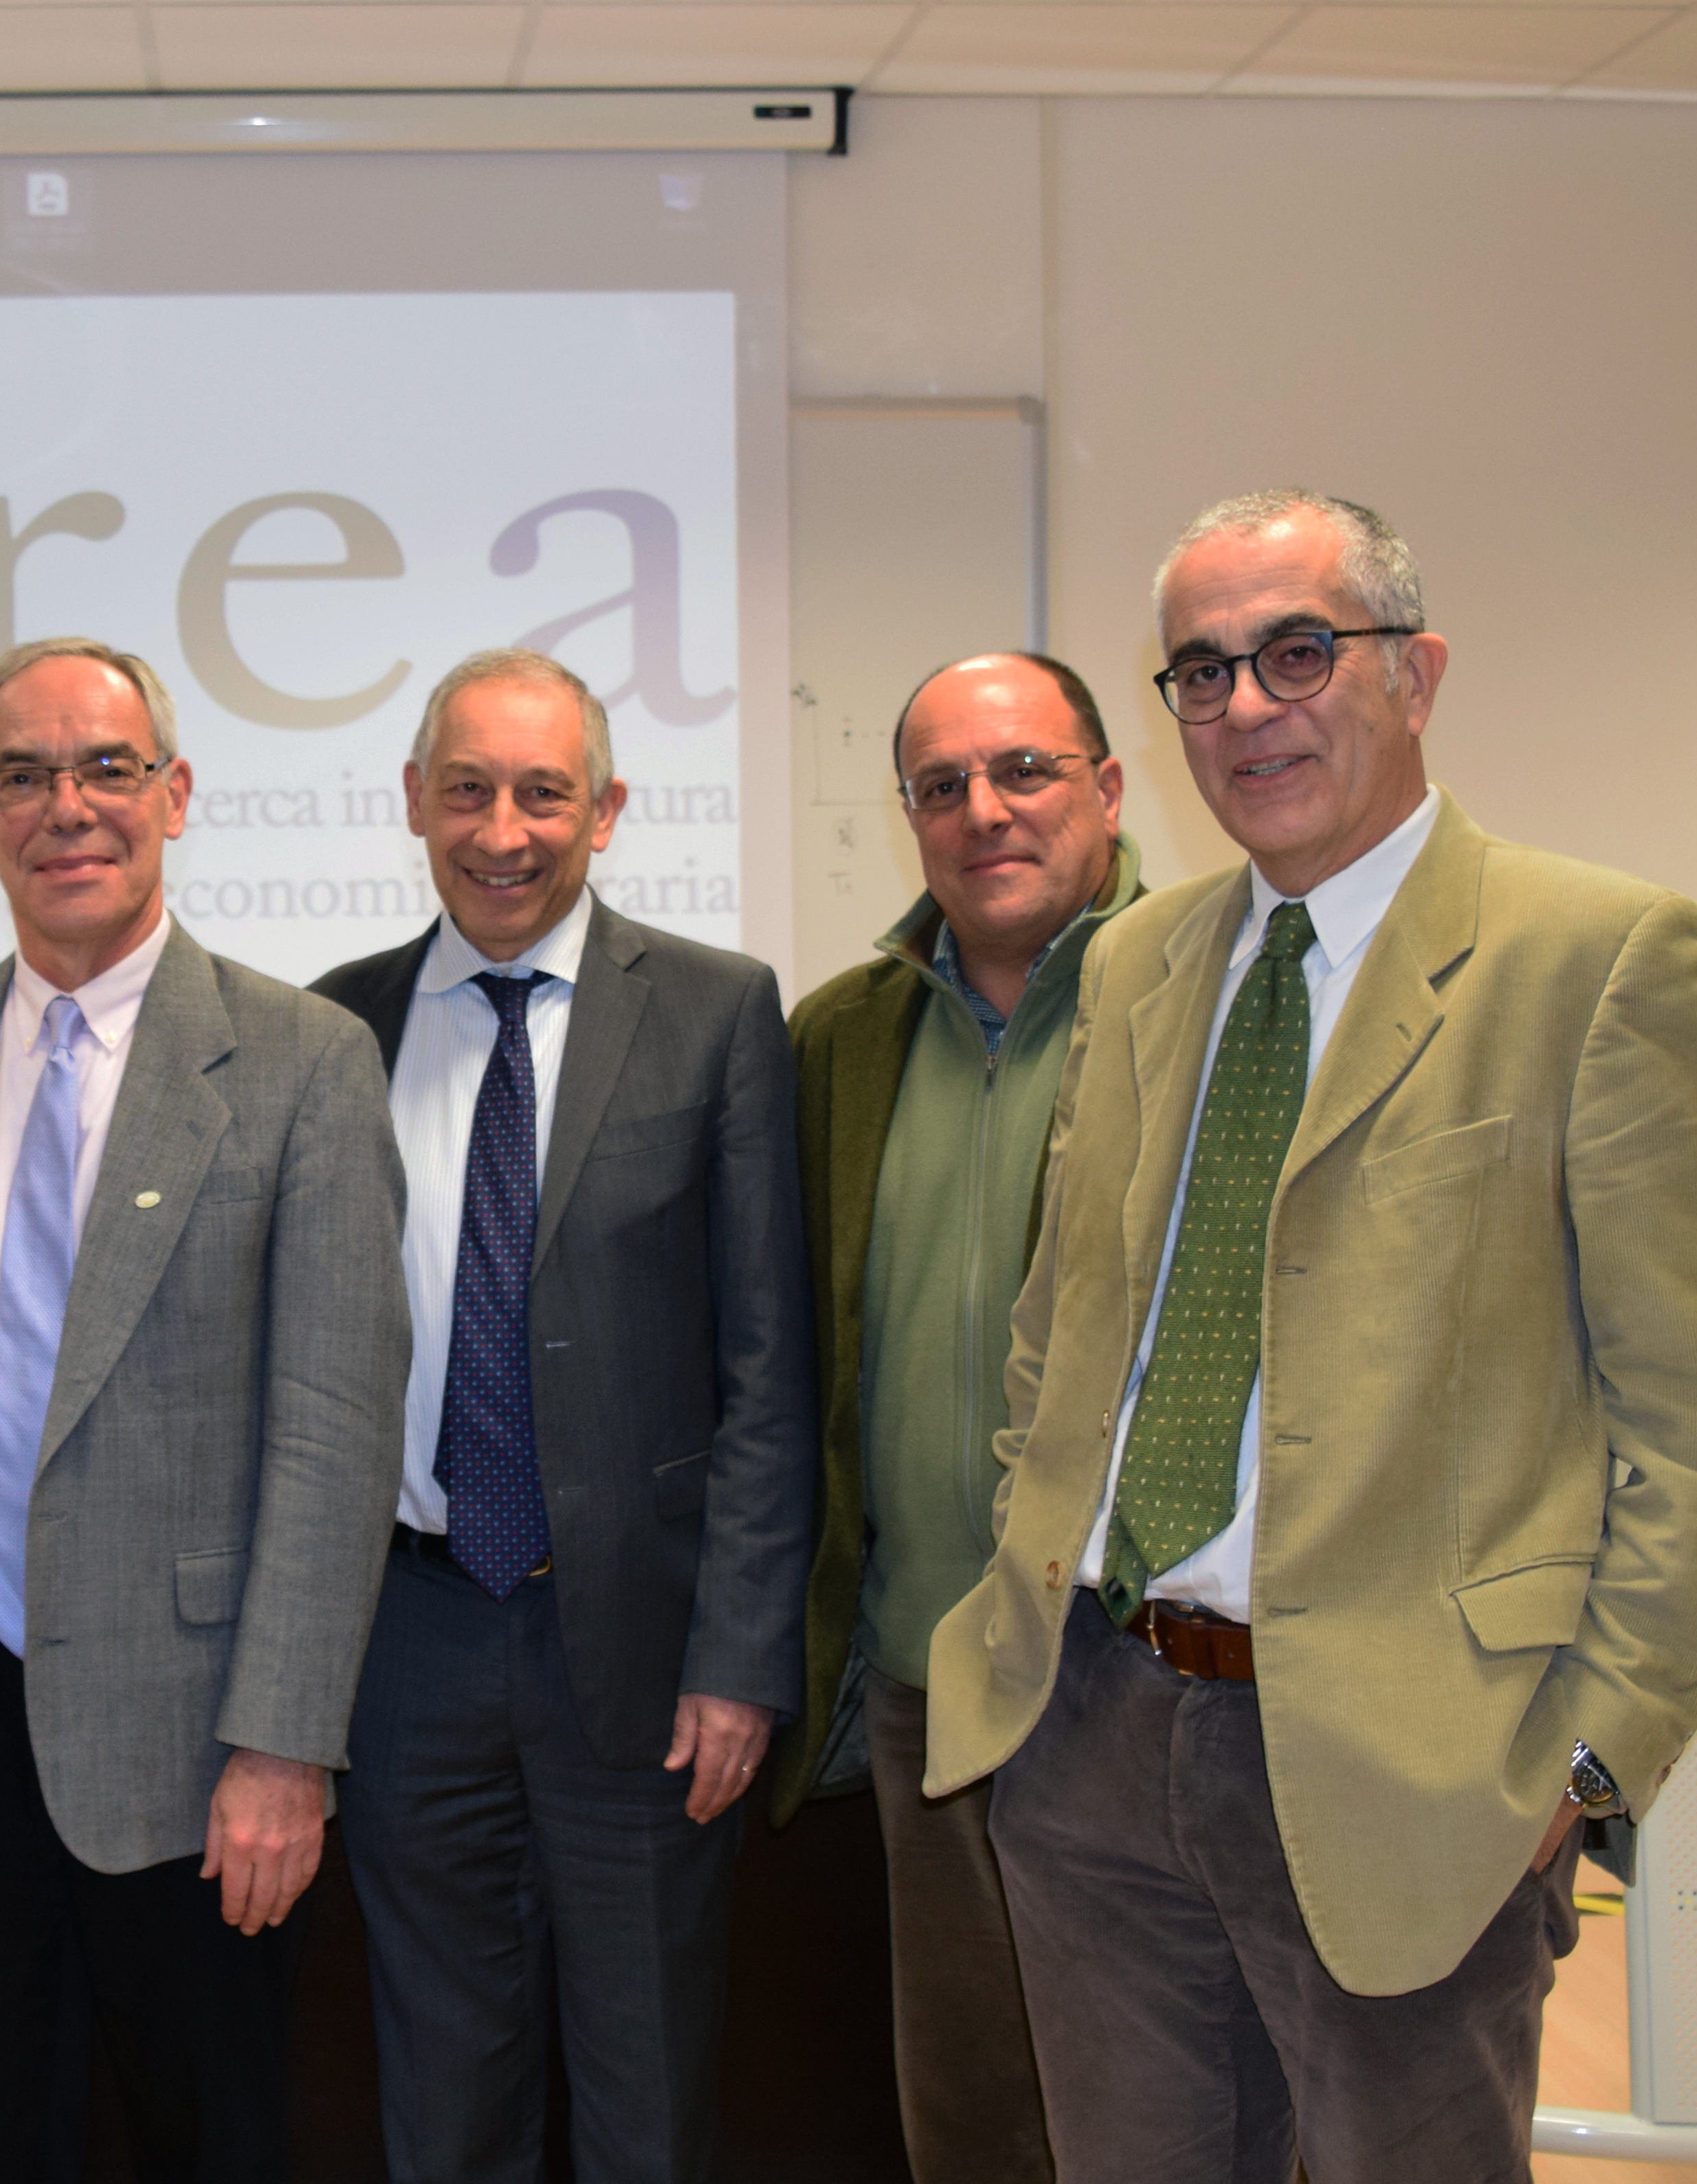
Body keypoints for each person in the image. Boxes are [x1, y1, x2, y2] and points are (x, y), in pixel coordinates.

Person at [924, 492, 1697, 2179]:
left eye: (1298, 652)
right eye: (1200, 670)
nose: (1248, 706)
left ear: (1420, 672)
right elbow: (1061, 1334)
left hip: (1421, 1779)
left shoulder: (1600, 960)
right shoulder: (1136, 964)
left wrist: (1581, 1768)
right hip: (1094, 1736)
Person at [0, 637, 409, 2183]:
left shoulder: (305, 1062)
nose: (68, 806)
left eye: (107, 768)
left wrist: (284, 1745)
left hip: (197, 1731)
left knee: (212, 2142)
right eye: (26, 775)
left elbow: (335, 1431)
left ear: (176, 793)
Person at [305, 649, 818, 2183]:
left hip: (646, 1654)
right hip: (412, 1638)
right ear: (413, 802)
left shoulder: (719, 1012)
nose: (504, 829)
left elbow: (767, 1366)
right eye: (468, 789)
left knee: (647, 2093)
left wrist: (739, 1658)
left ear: (607, 810)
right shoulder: (339, 1027)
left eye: (544, 792)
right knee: (442, 2092)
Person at [776, 651, 1138, 2183]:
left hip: (1144, 1688)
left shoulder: (1215, 994)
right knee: (974, 2123)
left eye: (1025, 771)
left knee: (1166, 2121)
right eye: (943, 785)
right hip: (932, 1681)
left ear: (1110, 790)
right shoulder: (840, 1037)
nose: (983, 811)